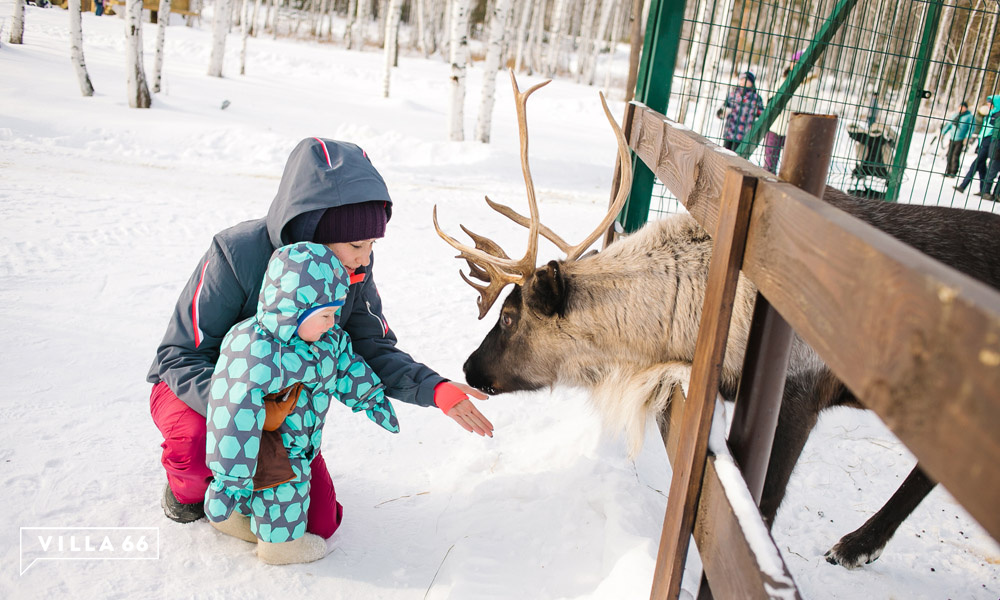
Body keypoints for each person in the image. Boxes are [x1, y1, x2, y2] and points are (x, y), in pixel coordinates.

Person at [148, 138, 493, 529]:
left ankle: (251, 492)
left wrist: (435, 389)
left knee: (321, 524)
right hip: (200, 390)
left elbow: (370, 346)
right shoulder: (236, 254)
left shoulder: (352, 269)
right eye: (357, 243)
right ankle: (188, 492)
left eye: (373, 243)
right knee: (193, 445)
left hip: (285, 407)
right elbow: (179, 354)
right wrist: (246, 411)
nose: (366, 256)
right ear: (313, 232)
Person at [205, 242, 397, 564]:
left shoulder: (328, 340)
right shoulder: (256, 349)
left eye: (335, 313)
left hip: (304, 444)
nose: (331, 323)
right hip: (270, 447)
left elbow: (347, 367)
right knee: (284, 490)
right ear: (293, 308)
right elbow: (232, 414)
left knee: (287, 492)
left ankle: (239, 517)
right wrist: (229, 479)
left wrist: (371, 398)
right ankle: (280, 547)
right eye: (324, 315)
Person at [763, 52, 820, 174]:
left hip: (794, 128)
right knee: (769, 164)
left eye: (799, 62)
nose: (795, 64)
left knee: (790, 166)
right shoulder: (783, 78)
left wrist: (786, 100)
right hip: (775, 125)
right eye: (794, 61)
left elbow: (808, 106)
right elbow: (770, 97)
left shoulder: (811, 82)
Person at [955, 96, 1000, 197]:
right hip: (983, 140)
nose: (988, 104)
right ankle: (983, 189)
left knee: (976, 164)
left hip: (990, 141)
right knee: (981, 166)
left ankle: (963, 185)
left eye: (990, 103)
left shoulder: (997, 114)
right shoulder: (991, 113)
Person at [717, 71, 765, 151]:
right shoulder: (733, 94)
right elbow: (722, 110)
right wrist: (722, 113)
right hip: (730, 132)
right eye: (742, 79)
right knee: (725, 154)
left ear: (752, 83)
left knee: (738, 156)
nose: (744, 81)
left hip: (744, 134)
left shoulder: (756, 98)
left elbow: (761, 114)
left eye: (747, 79)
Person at [940, 101, 974, 178]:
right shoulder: (955, 115)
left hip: (961, 139)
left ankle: (953, 172)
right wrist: (943, 132)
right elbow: (949, 124)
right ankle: (948, 170)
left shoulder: (969, 117)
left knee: (955, 155)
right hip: (952, 138)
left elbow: (971, 128)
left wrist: (967, 137)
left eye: (963, 107)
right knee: (949, 154)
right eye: (960, 106)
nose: (961, 108)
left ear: (966, 108)